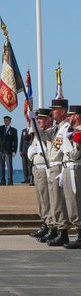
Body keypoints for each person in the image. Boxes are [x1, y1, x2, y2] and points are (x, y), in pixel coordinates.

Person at [45, 98, 71, 246]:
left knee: (59, 201)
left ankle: (62, 232)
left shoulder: (66, 128)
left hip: (59, 166)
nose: (52, 112)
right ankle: (57, 229)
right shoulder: (57, 128)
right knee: (54, 201)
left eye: (55, 109)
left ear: (62, 111)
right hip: (52, 166)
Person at [28, 108, 53, 241]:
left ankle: (50, 225)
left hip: (45, 168)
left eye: (41, 119)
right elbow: (31, 150)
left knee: (47, 199)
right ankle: (44, 223)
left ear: (49, 120)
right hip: (37, 168)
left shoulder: (49, 133)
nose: (39, 121)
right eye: (37, 119)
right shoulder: (39, 134)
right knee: (41, 199)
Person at [60, 104, 81, 249]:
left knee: (75, 201)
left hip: (75, 167)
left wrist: (66, 144)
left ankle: (80, 234)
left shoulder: (78, 134)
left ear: (77, 116)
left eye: (71, 115)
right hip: (68, 167)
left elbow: (75, 154)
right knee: (70, 200)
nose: (68, 117)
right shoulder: (71, 132)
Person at [0, 115, 18, 186]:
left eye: (7, 120)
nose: (5, 122)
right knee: (1, 166)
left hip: (9, 150)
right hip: (1, 149)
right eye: (4, 120)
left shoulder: (13, 130)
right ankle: (2, 180)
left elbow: (15, 141)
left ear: (10, 121)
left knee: (9, 166)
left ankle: (10, 180)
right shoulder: (1, 128)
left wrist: (14, 151)